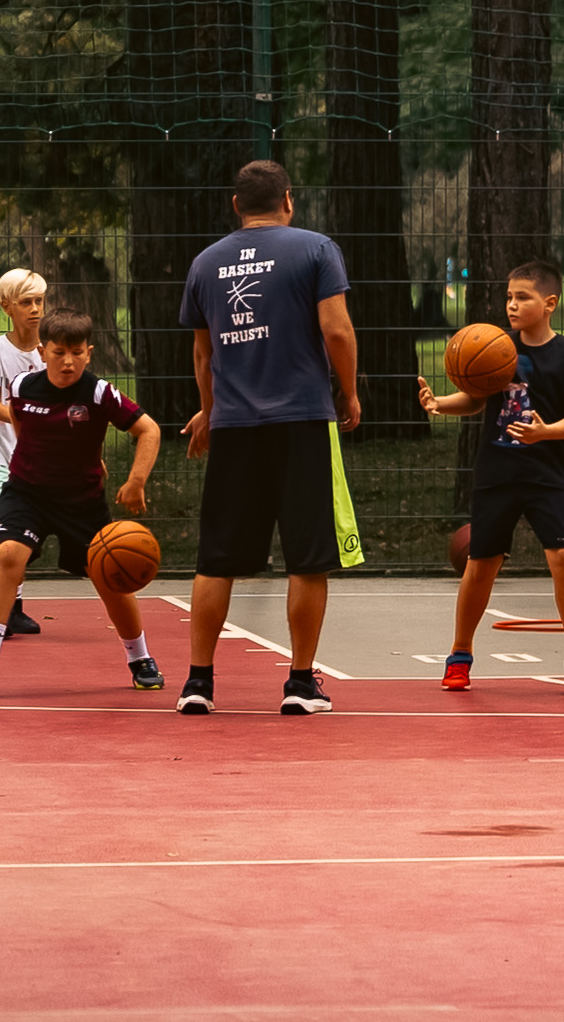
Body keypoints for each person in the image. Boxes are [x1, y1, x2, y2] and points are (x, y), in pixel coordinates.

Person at [176, 160, 363, 717]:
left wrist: (211, 413)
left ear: (236, 205)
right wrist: (348, 393)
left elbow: (203, 355)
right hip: (302, 420)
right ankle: (301, 683)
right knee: (307, 560)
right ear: (288, 199)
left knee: (216, 560)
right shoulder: (316, 249)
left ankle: (198, 683)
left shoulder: (206, 263)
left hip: (235, 427)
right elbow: (336, 328)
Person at [0, 309, 162, 689]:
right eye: (58, 352)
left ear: (89, 352)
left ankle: (140, 657)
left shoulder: (99, 392)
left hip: (80, 502)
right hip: (27, 492)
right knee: (7, 555)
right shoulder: (21, 386)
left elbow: (148, 429)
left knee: (110, 577)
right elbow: (23, 425)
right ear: (42, 350)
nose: (67, 361)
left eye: (77, 352)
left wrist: (136, 482)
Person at [422, 259, 564, 694]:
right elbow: (476, 399)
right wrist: (441, 403)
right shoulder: (498, 349)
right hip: (497, 473)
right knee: (480, 565)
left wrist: (544, 433)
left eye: (523, 297)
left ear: (550, 303)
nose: (512, 305)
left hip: (546, 474)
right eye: (509, 297)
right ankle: (459, 654)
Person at [0, 268, 48, 638]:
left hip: (39, 454)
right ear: (7, 306)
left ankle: (13, 601)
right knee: (1, 526)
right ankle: (8, 610)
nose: (35, 309)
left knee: (29, 531)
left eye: (39, 301)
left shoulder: (51, 350)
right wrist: (26, 420)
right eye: (25, 303)